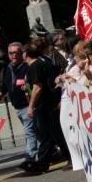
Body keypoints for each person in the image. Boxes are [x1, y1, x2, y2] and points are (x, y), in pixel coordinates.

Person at [0, 42, 37, 164]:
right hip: (17, 106)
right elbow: (5, 85)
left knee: (29, 132)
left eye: (17, 53)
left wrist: (28, 87)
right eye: (11, 53)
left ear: (22, 54)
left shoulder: (27, 66)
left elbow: (35, 83)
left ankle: (30, 156)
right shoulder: (8, 68)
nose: (14, 56)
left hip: (28, 104)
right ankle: (50, 149)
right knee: (34, 131)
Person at [21, 41, 63, 174]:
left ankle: (42, 164)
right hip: (49, 103)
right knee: (53, 134)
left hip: (44, 104)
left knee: (47, 134)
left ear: (26, 54)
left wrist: (31, 106)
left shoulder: (35, 65)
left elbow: (37, 87)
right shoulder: (42, 62)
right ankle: (44, 162)